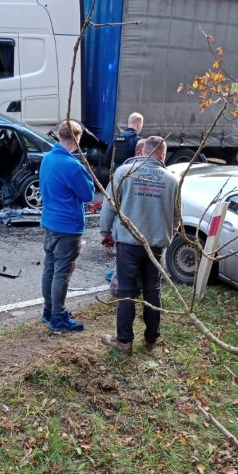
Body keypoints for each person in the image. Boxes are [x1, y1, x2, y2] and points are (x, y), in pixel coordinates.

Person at [99, 135, 179, 354]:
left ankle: (124, 341)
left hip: (128, 242)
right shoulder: (172, 180)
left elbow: (109, 206)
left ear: (143, 152)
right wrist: (167, 237)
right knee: (152, 290)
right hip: (156, 244)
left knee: (127, 291)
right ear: (162, 154)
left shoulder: (124, 173)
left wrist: (106, 232)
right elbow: (176, 217)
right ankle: (152, 338)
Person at [39, 119, 96, 332]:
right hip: (67, 226)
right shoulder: (72, 166)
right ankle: (58, 317)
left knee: (50, 267)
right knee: (62, 272)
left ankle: (48, 310)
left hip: (50, 222)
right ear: (77, 138)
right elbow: (88, 194)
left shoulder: (47, 159)